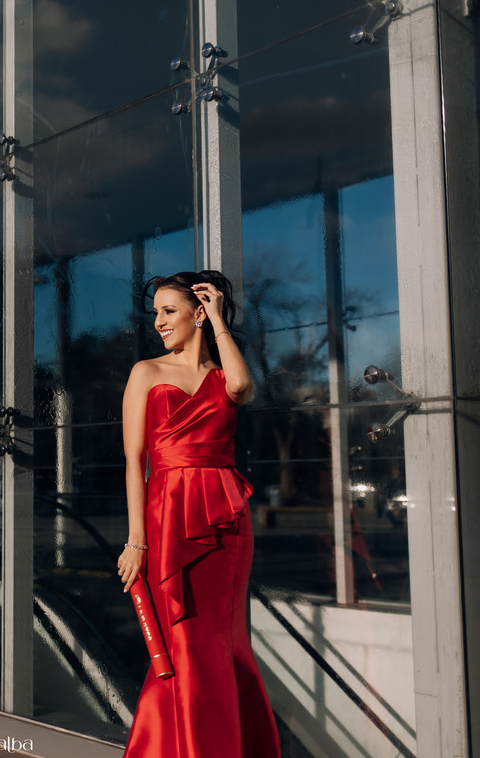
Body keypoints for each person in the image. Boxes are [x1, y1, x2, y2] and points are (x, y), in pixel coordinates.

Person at [117, 271, 280, 758]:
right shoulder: (146, 372)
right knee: (183, 643)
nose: (159, 323)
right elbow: (134, 463)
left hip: (226, 519)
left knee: (224, 642)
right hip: (167, 515)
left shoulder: (222, 375)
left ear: (198, 314)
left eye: (170, 311)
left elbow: (243, 386)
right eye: (156, 314)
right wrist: (135, 539)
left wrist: (220, 328)